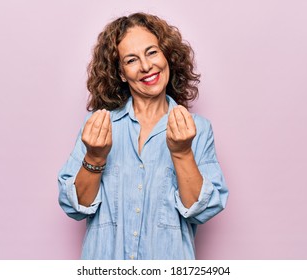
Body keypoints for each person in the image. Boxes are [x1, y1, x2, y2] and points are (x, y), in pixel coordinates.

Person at [58, 12, 228, 260]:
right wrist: (95, 157)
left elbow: (201, 211)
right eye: (131, 60)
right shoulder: (99, 126)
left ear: (167, 55)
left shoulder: (198, 130)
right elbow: (74, 207)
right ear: (121, 74)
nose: (146, 66)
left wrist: (181, 153)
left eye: (152, 52)